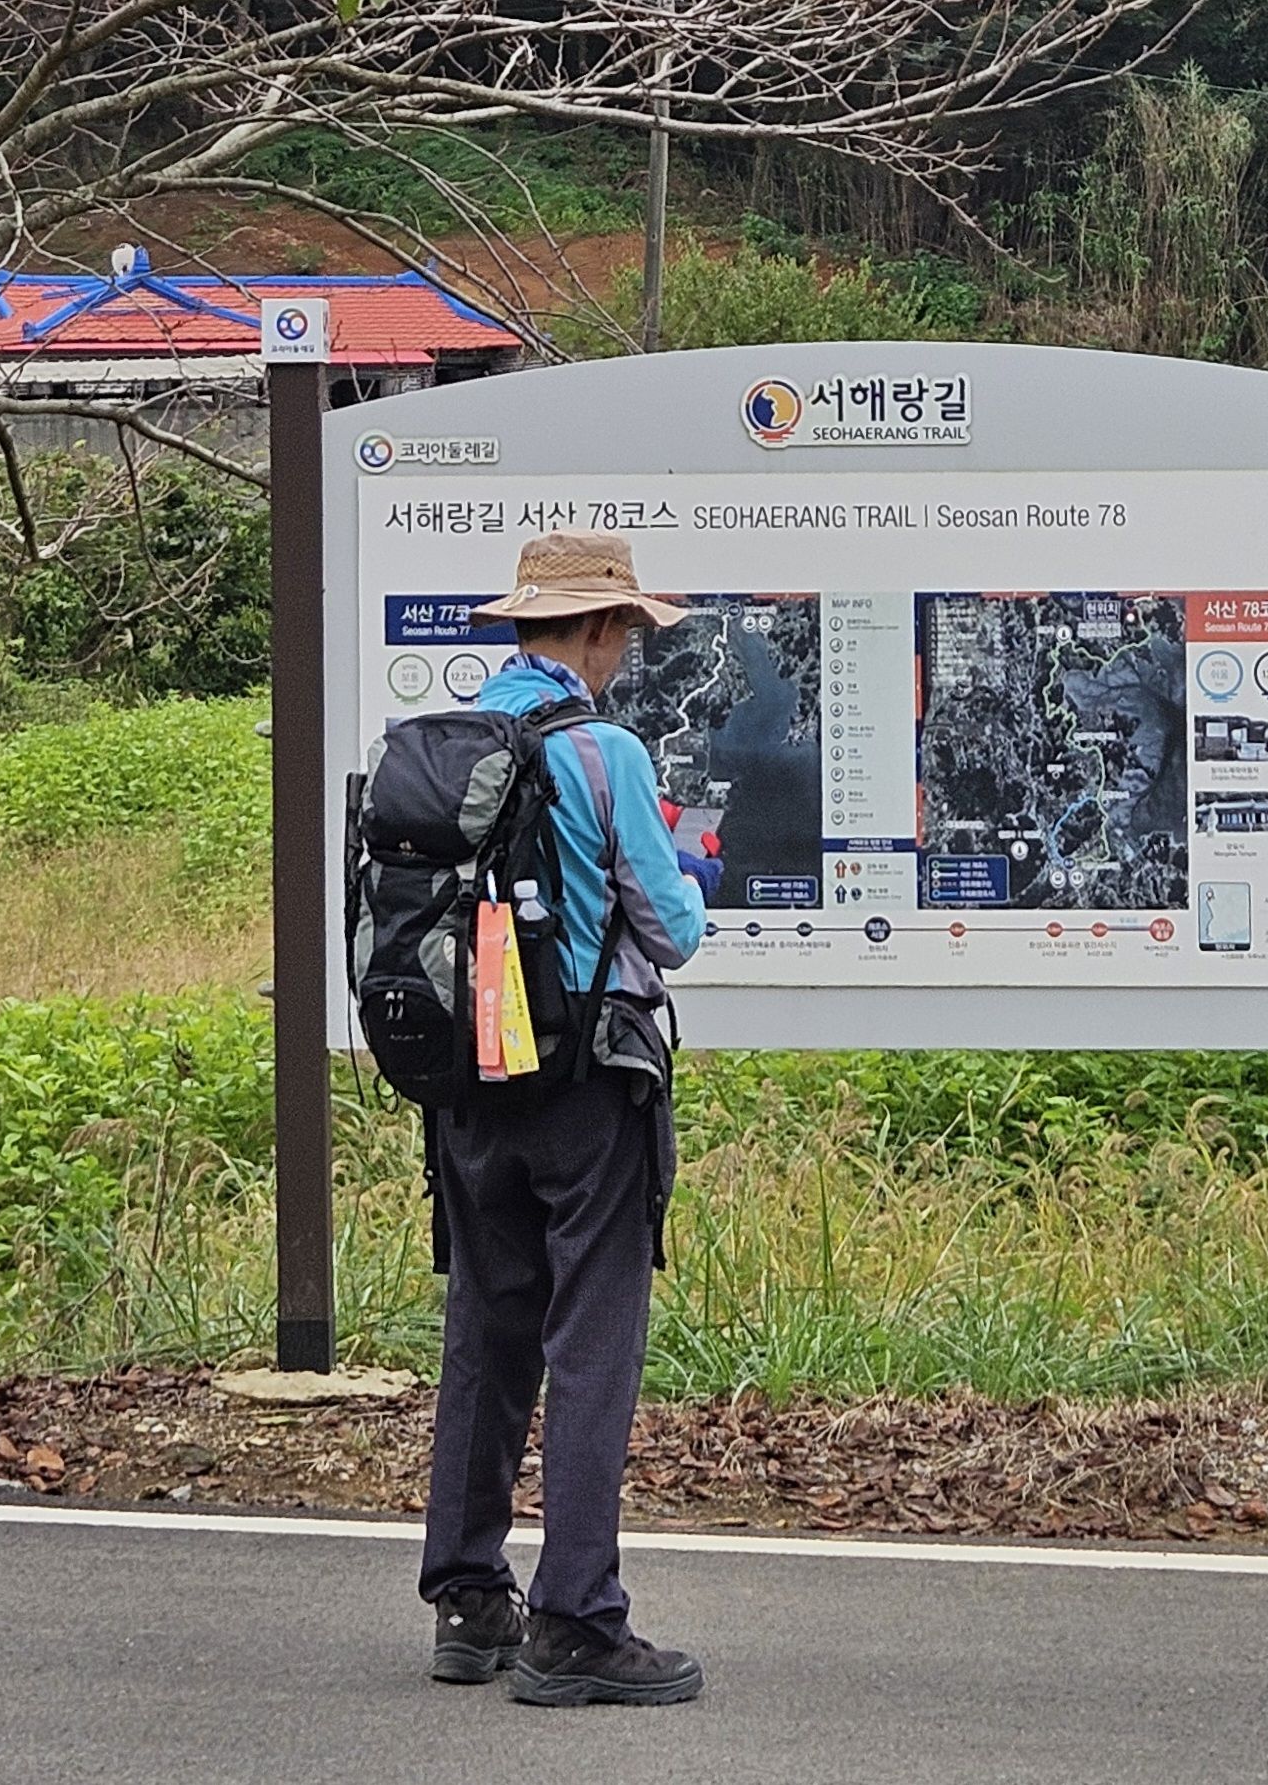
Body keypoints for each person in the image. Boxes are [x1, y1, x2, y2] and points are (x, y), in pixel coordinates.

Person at [422, 530, 709, 1709]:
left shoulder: (445, 742)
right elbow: (670, 929)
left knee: (486, 1331)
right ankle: (578, 1619)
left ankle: (469, 1601)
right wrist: (691, 877)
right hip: (587, 1083)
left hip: (467, 1080)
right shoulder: (604, 753)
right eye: (625, 631)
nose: (627, 651)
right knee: (590, 1342)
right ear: (598, 628)